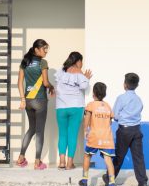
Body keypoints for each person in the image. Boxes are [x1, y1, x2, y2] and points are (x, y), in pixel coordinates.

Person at [108, 72, 149, 186]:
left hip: (124, 130)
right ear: (137, 85)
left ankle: (110, 178)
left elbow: (115, 115)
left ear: (125, 84)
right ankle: (143, 183)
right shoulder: (138, 99)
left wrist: (120, 117)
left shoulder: (121, 98)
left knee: (119, 155)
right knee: (138, 157)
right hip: (136, 130)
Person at [16, 39, 53, 169]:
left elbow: (19, 82)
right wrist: (52, 87)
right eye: (44, 49)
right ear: (36, 49)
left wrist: (22, 99)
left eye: (47, 49)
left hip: (28, 101)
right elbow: (46, 83)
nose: (46, 51)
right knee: (39, 131)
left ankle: (21, 158)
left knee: (31, 129)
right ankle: (37, 162)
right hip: (40, 100)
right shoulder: (42, 62)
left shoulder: (25, 62)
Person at [54, 51, 92, 169]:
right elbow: (84, 86)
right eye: (81, 61)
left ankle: (61, 162)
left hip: (60, 107)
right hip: (76, 106)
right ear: (78, 61)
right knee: (72, 135)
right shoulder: (79, 74)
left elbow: (57, 84)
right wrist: (84, 77)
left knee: (62, 134)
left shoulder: (60, 72)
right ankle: (70, 163)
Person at [78, 81, 117, 186]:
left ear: (93, 93)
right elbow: (110, 122)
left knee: (87, 156)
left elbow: (87, 119)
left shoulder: (91, 105)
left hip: (94, 136)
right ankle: (112, 184)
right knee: (108, 159)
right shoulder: (108, 106)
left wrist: (85, 130)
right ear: (104, 94)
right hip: (107, 137)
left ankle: (84, 180)